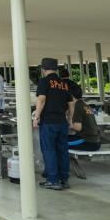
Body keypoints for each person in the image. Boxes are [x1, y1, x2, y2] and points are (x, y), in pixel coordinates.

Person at [33, 57, 76, 191]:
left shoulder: (44, 81)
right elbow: (71, 103)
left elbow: (41, 99)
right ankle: (64, 179)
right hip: (62, 122)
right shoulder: (63, 83)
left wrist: (37, 116)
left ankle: (53, 180)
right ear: (56, 69)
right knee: (62, 150)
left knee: (49, 150)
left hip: (48, 122)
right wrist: (70, 119)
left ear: (43, 69)